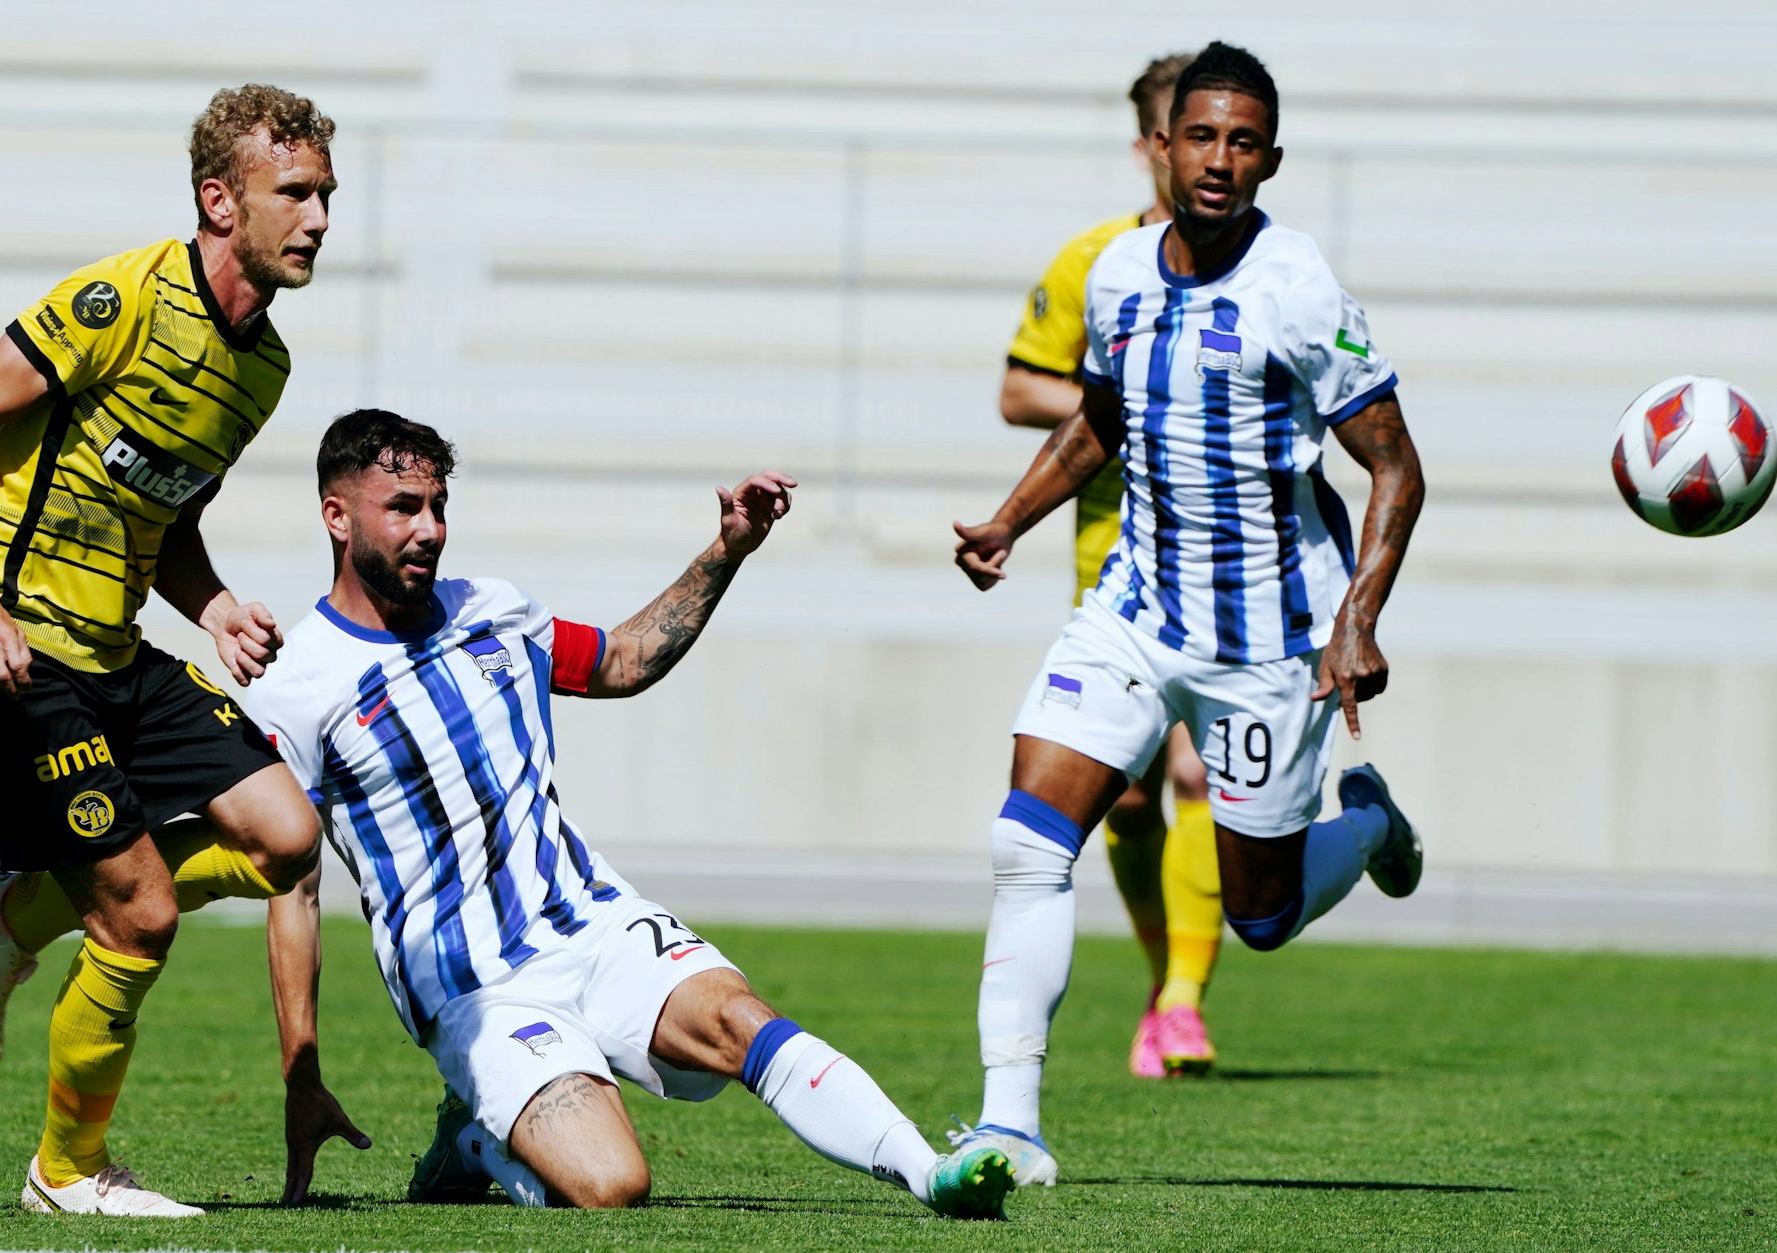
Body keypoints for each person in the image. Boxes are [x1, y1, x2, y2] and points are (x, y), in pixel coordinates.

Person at [243, 410, 1016, 1220]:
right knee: (612, 1186)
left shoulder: (494, 609)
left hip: (593, 921)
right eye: (403, 506)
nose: (430, 529)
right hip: (480, 989)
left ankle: (932, 1171)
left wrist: (727, 550)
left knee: (739, 1019)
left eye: (438, 505)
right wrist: (302, 1072)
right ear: (336, 515)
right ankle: (474, 1136)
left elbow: (621, 660)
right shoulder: (297, 685)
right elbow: (290, 888)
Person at [948, 42, 1426, 1186]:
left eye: (1243, 142)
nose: (1218, 160)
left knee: (1258, 916)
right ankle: (1007, 1122)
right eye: (1200, 136)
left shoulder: (1298, 288)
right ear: (1161, 144)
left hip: (1267, 636)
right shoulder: (1113, 273)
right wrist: (1010, 519)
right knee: (1026, 840)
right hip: (1132, 607)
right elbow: (1103, 417)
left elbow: (1396, 469)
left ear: (1269, 159)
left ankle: (1361, 822)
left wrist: (1354, 619)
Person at [0, 83, 339, 1216]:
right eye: (291, 193)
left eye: (325, 194)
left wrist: (211, 604)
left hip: (110, 650)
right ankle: (67, 1170)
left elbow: (162, 512)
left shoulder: (262, 371)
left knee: (288, 837)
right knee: (141, 907)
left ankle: (8, 913)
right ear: (219, 199)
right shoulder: (122, 300)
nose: (318, 217)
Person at [999, 50, 1226, 1079]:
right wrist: (1131, 396)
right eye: (1180, 132)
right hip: (1114, 556)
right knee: (1127, 800)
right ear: (1149, 143)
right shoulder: (1092, 261)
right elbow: (1018, 391)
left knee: (1195, 771)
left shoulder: (1262, 271)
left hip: (1225, 566)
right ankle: (1161, 977)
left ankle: (1181, 997)